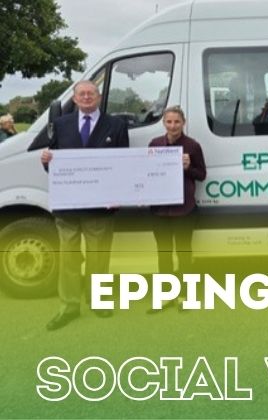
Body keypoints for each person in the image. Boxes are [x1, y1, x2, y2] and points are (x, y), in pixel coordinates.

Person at [39, 80, 130, 331]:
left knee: (98, 259)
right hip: (68, 207)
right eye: (82, 94)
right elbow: (54, 165)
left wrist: (119, 195)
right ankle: (69, 307)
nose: (87, 97)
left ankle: (98, 301)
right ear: (75, 99)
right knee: (68, 259)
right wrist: (46, 160)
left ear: (99, 97)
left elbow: (125, 166)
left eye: (91, 93)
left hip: (100, 208)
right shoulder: (60, 124)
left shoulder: (117, 125)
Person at [147, 106, 207, 313]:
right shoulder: (154, 145)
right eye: (169, 122)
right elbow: (147, 174)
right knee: (163, 254)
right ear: (164, 123)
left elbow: (202, 175)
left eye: (177, 122)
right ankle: (166, 296)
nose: (173, 126)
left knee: (183, 253)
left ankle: (186, 296)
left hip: (184, 209)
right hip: (160, 210)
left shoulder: (193, 145)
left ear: (184, 123)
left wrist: (188, 168)